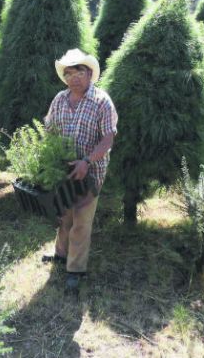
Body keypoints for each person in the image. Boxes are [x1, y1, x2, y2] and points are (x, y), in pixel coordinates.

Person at [43, 48, 118, 293]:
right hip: (63, 171)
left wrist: (86, 161)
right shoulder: (60, 100)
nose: (73, 78)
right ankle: (60, 255)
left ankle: (75, 270)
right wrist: (48, 161)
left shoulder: (101, 101)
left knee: (81, 221)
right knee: (64, 214)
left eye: (78, 72)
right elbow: (50, 132)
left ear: (89, 74)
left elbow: (108, 139)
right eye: (68, 73)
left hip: (91, 171)